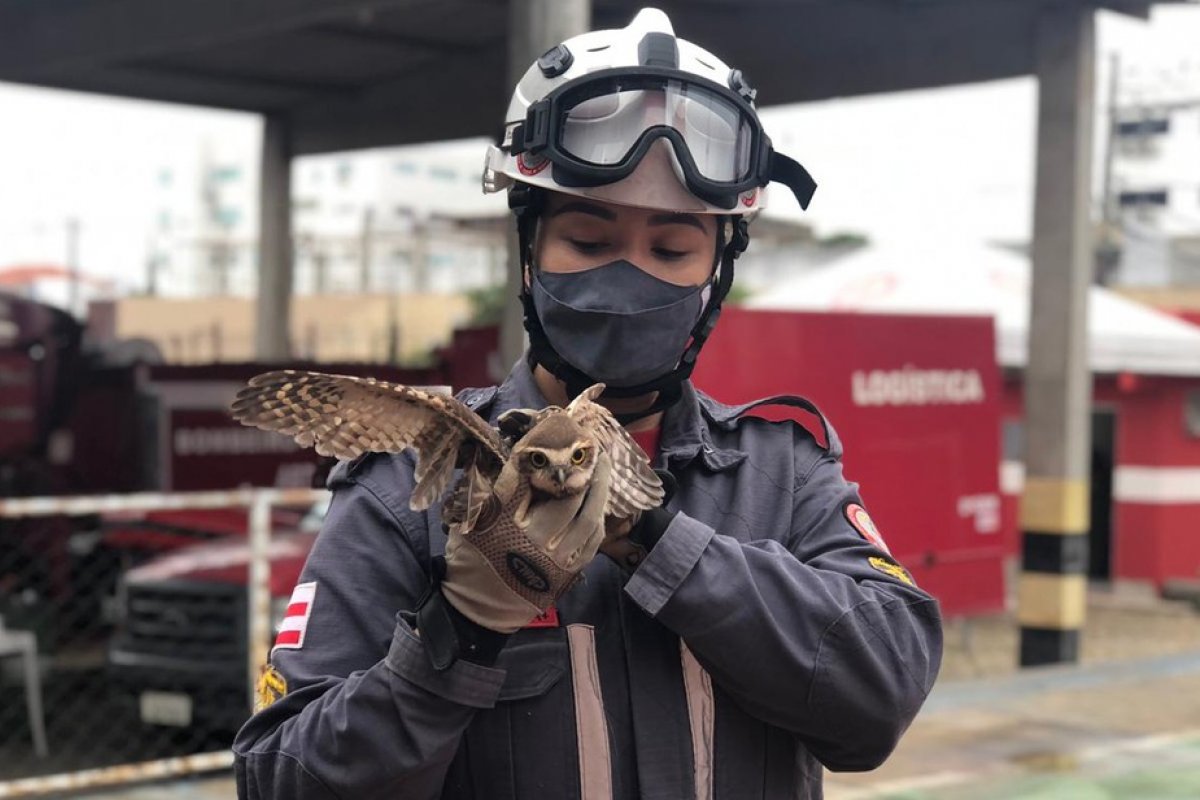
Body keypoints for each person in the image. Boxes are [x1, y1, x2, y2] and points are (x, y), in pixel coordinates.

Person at [233, 8, 943, 799]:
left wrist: (658, 539)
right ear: (530, 253)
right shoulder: (412, 487)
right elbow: (281, 779)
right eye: (589, 239)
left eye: (672, 249)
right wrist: (458, 630)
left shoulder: (781, 476)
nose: (628, 275)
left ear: (716, 274)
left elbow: (881, 697)